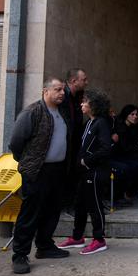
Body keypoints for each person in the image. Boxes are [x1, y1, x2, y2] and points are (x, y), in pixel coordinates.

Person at [9, 78, 71, 274]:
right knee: (30, 213)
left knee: (52, 210)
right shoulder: (32, 112)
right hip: (36, 171)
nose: (62, 93)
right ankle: (20, 255)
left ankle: (44, 246)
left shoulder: (62, 112)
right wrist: (27, 161)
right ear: (46, 91)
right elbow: (16, 142)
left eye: (63, 89)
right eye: (57, 89)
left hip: (57, 170)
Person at [58, 89, 113, 256]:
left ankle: (99, 240)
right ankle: (77, 237)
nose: (81, 104)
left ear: (93, 105)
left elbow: (106, 148)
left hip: (95, 171)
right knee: (80, 204)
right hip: (84, 172)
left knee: (95, 205)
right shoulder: (89, 122)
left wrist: (86, 161)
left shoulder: (101, 123)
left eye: (85, 102)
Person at [60, 68, 88, 208]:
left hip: (74, 144)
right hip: (65, 145)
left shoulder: (77, 96)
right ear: (73, 81)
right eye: (84, 79)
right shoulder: (63, 97)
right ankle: (66, 204)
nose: (86, 82)